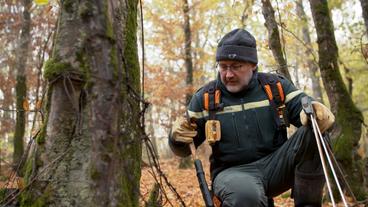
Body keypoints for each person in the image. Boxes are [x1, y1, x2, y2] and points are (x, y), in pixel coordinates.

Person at [168, 28, 335, 207]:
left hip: (276, 166)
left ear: (253, 65)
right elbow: (185, 149)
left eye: (237, 66)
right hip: (231, 173)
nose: (228, 74)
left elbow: (305, 106)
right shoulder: (206, 98)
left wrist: (315, 111)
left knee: (316, 133)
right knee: (247, 196)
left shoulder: (274, 87)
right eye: (223, 66)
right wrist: (176, 138)